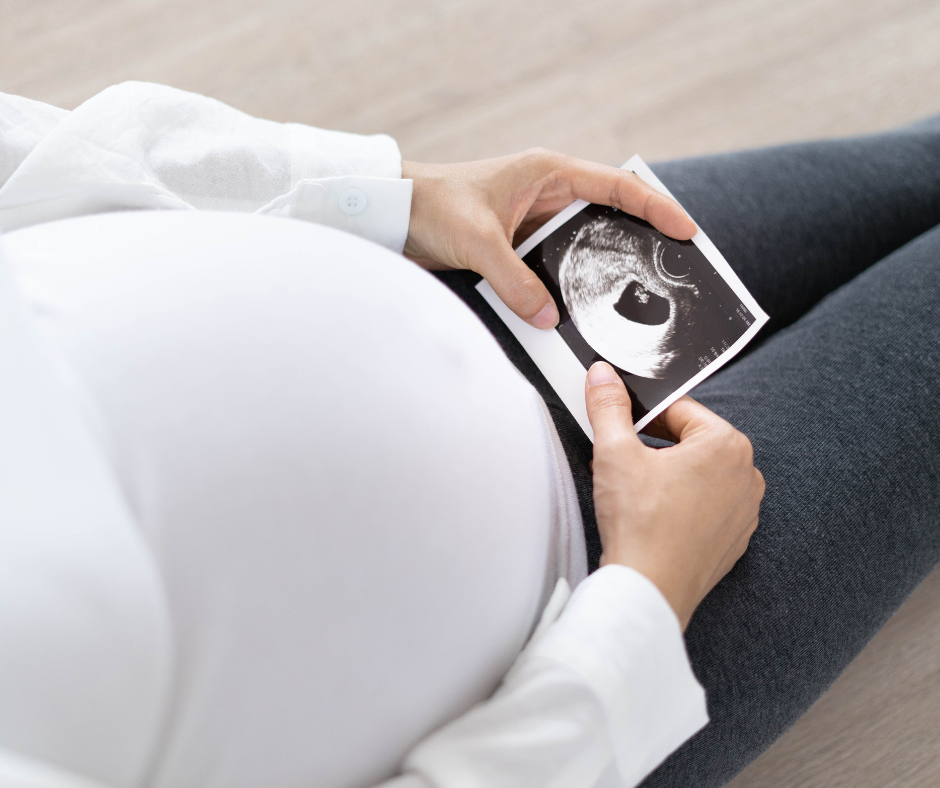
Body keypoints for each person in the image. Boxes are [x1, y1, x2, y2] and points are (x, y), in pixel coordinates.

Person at [0, 81, 936, 788]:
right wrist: (643, 606)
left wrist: (388, 191)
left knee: (917, 165)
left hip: (480, 275)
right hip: (591, 622)